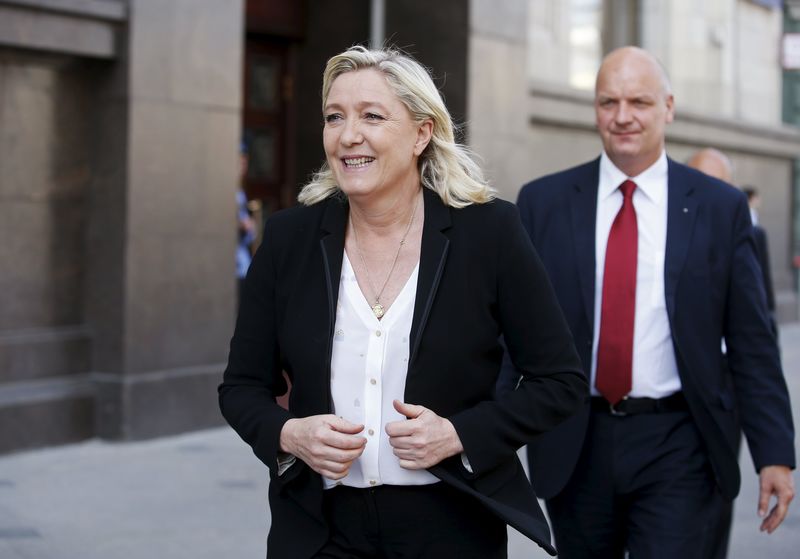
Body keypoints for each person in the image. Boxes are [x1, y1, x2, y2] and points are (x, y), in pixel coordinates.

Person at [219, 45, 587, 559]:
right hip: (321, 529)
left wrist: (461, 433)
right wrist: (288, 433)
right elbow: (240, 388)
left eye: (372, 116)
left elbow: (559, 381)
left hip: (450, 523)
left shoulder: (489, 232)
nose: (349, 135)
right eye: (334, 117)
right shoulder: (289, 238)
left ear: (421, 133)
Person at [501, 46, 795, 558]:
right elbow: (510, 333)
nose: (622, 117)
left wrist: (774, 454)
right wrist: (485, 434)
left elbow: (752, 341)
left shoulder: (718, 208)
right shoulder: (542, 203)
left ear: (669, 107)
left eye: (638, 101)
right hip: (575, 441)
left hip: (681, 440)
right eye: (607, 101)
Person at [236, 141, 256, 304]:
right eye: (239, 162)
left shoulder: (239, 190)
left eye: (244, 162)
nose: (242, 167)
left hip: (242, 265)